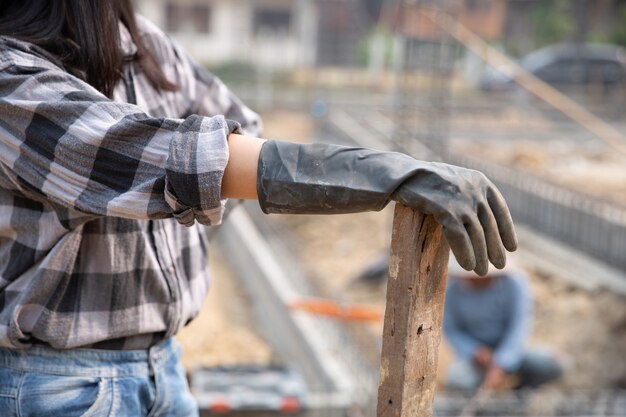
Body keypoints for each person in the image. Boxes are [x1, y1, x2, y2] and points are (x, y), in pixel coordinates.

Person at [0, 1, 517, 416]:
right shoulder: (12, 76)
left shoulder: (140, 45)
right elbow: (196, 161)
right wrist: (383, 172)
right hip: (57, 385)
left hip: (163, 365)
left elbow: (238, 130)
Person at [443, 259, 564, 392]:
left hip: (514, 351)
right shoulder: (453, 291)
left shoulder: (514, 284)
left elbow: (518, 328)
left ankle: (521, 391)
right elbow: (451, 329)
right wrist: (475, 351)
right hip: (477, 359)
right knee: (457, 379)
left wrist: (501, 363)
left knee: (556, 363)